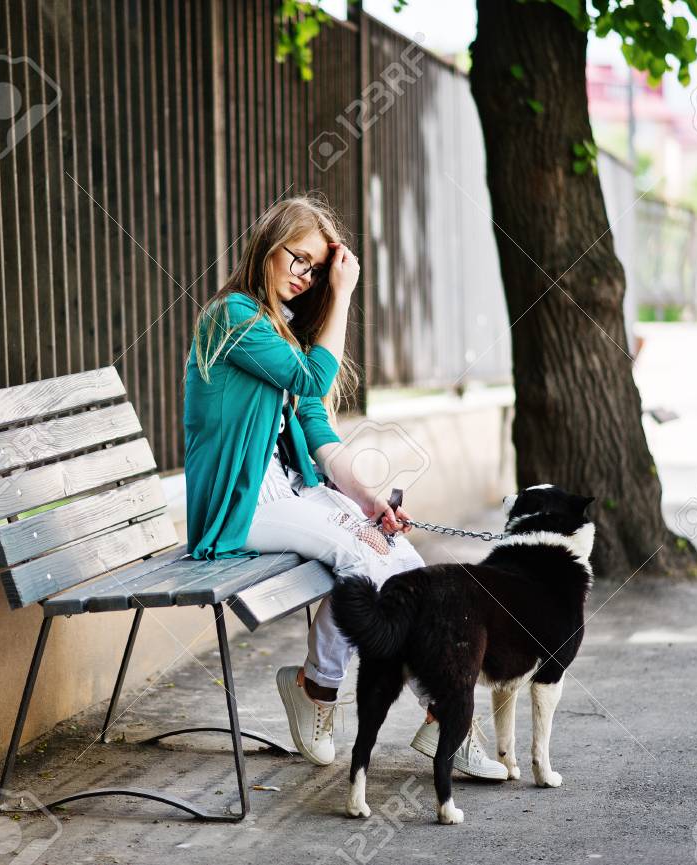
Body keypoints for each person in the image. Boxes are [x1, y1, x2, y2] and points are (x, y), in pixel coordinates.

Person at [182, 195, 505, 779]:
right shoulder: (232, 315)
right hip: (240, 505)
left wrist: (366, 499)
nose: (305, 278)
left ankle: (361, 700)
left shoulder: (280, 332)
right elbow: (310, 379)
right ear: (266, 246)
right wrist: (346, 293)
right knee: (361, 552)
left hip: (290, 494)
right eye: (298, 260)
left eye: (316, 271)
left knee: (397, 556)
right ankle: (426, 712)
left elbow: (317, 428)